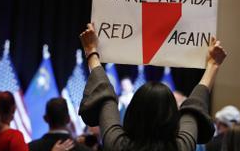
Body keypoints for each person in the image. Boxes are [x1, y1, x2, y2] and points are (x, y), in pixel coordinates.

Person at [78, 23, 227, 151]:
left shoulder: (117, 145)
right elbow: (195, 105)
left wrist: (91, 51)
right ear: (172, 115)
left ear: (133, 112)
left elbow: (105, 97)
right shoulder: (182, 147)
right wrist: (213, 64)